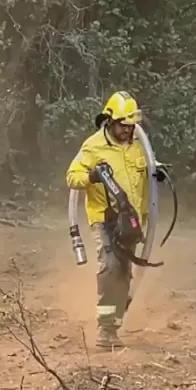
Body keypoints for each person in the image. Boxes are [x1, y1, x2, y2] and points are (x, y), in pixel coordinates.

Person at [66, 91, 167, 350]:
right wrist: (92, 177)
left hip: (132, 221)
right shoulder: (93, 146)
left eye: (132, 125)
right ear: (109, 121)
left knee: (123, 273)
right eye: (123, 125)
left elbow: (151, 165)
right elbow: (72, 176)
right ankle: (105, 330)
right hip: (104, 218)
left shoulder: (139, 146)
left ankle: (114, 324)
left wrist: (159, 171)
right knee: (110, 265)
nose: (128, 130)